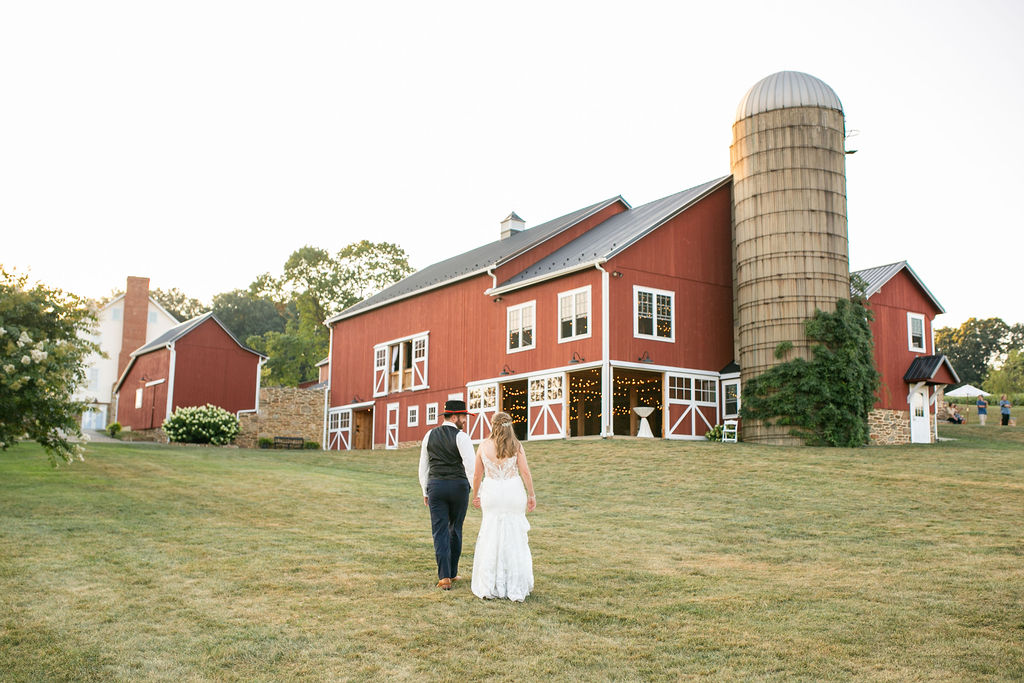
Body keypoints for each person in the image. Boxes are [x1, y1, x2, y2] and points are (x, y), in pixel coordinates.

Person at [470, 412, 535, 602]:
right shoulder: (516, 445)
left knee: (491, 533)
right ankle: (514, 584)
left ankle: (490, 584)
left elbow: (476, 476)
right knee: (514, 536)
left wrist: (476, 496)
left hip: (492, 493)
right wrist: (531, 494)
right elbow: (525, 471)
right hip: (512, 492)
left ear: (492, 425)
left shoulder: (483, 446)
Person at [418, 399, 476, 590]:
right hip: (459, 486)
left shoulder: (429, 435)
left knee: (439, 530)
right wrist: (477, 490)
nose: (465, 421)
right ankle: (452, 572)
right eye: (463, 417)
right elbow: (471, 466)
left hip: (436, 486)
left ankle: (444, 577)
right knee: (455, 528)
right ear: (454, 416)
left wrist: (425, 489)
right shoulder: (462, 437)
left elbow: (423, 466)